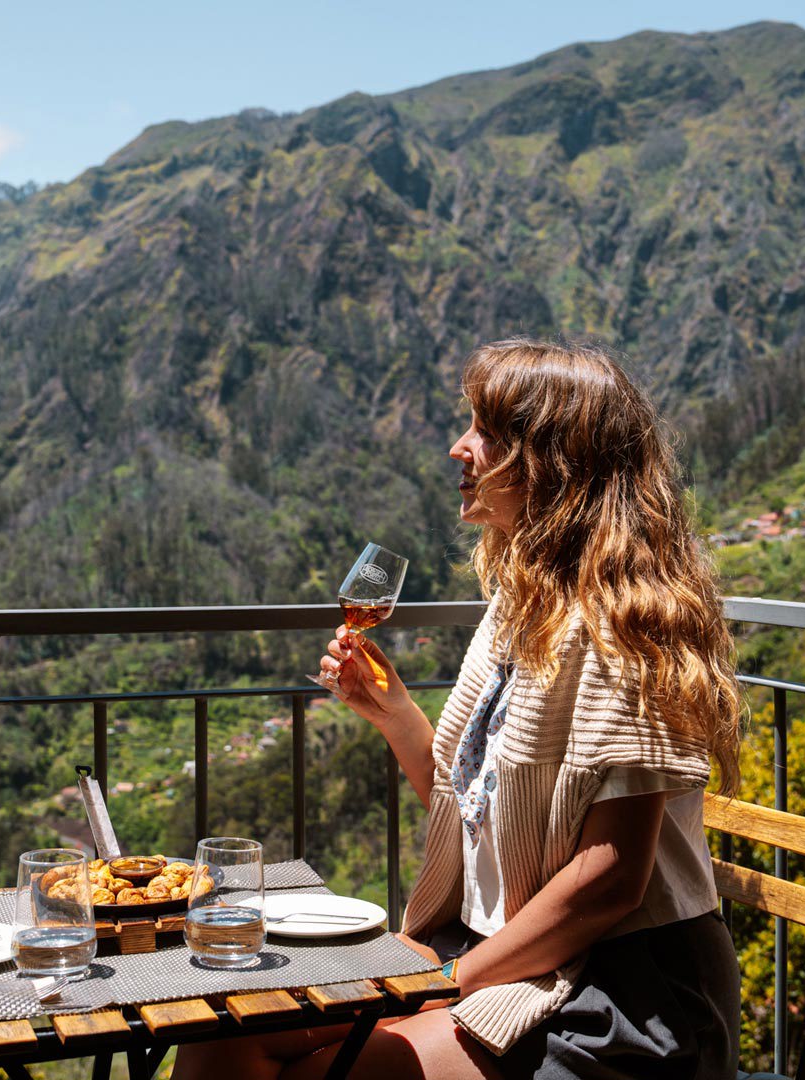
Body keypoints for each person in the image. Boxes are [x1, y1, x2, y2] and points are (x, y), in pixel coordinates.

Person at [173, 339, 745, 1080]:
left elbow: (610, 883)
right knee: (221, 1037)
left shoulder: (622, 627)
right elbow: (478, 818)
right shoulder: (521, 604)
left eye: (485, 431)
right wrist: (396, 714)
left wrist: (441, 989)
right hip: (505, 950)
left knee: (327, 1072)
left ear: (552, 461)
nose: (458, 448)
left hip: (617, 991)